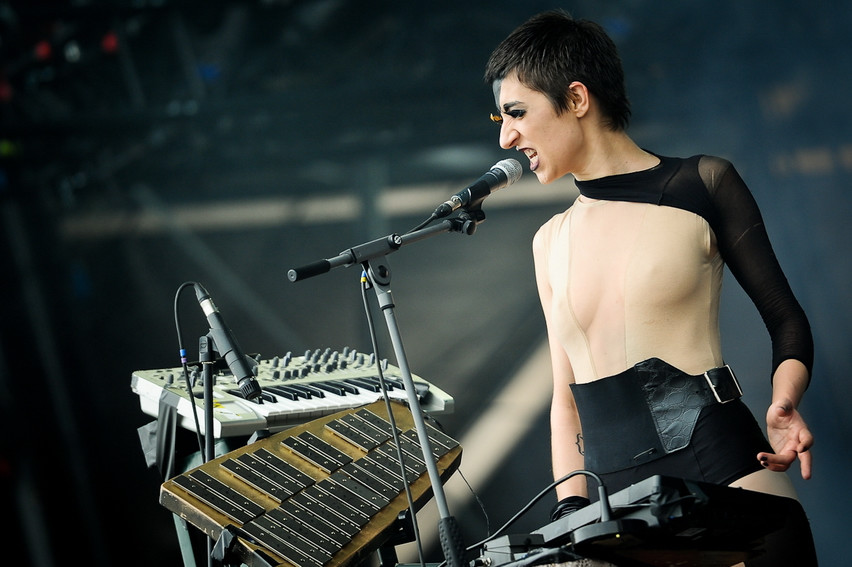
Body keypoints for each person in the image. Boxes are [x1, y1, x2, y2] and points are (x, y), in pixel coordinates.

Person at [484, 10, 817, 566]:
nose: (505, 135)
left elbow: (786, 319)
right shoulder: (550, 240)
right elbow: (565, 397)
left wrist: (785, 400)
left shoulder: (702, 183)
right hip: (619, 520)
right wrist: (572, 509)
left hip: (729, 477)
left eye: (517, 113)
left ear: (577, 98)